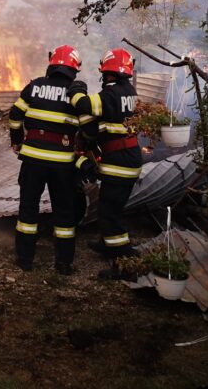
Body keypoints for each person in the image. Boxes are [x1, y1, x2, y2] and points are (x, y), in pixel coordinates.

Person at [8, 45, 84, 274]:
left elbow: (15, 115)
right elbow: (87, 125)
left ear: (52, 64)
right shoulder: (75, 92)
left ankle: (25, 260)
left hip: (33, 160)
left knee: (28, 209)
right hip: (63, 163)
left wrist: (16, 140)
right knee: (64, 211)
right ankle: (64, 263)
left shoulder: (35, 86)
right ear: (74, 68)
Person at [67, 48, 142, 278]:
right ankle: (106, 244)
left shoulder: (111, 94)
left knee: (110, 213)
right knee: (112, 207)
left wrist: (76, 91)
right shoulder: (129, 91)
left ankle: (123, 264)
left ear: (108, 71)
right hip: (128, 158)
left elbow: (85, 105)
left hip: (119, 162)